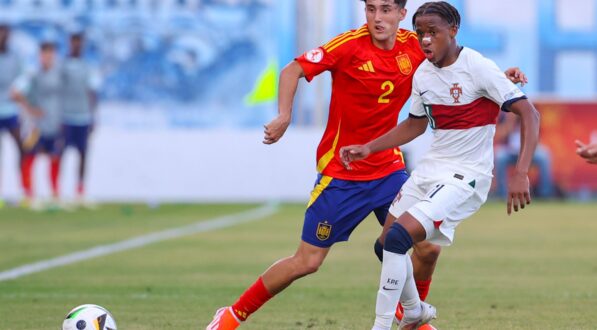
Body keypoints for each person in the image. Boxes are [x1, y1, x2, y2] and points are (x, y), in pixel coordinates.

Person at [207, 1, 526, 329]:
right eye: (371, 9)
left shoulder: (414, 46)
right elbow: (293, 70)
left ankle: (411, 318)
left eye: (386, 9)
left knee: (427, 249)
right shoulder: (348, 46)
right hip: (341, 174)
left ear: (401, 13)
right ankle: (232, 315)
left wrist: (501, 80)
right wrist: (285, 115)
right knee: (308, 261)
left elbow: (455, 69)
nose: (377, 18)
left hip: (388, 170)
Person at [339, 2, 540, 329]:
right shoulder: (423, 74)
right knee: (384, 245)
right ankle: (416, 311)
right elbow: (416, 124)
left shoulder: (478, 66)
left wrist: (520, 172)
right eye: (420, 34)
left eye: (433, 32)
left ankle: (381, 325)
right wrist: (369, 147)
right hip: (431, 171)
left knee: (398, 239)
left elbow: (530, 113)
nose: (425, 40)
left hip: (467, 177)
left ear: (453, 31)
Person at [11, 41, 64, 208]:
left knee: (55, 158)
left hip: (54, 125)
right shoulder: (32, 74)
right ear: (40, 56)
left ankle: (55, 195)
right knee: (30, 157)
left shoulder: (58, 75)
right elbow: (15, 93)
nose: (48, 58)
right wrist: (30, 109)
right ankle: (29, 195)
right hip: (36, 127)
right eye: (45, 54)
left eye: (51, 54)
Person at [61, 32, 101, 206]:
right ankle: (58, 192)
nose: (77, 46)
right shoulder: (62, 66)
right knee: (60, 154)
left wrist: (93, 117)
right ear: (70, 43)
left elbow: (93, 93)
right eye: (74, 42)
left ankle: (80, 191)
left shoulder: (87, 67)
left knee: (83, 154)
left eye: (80, 43)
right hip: (65, 117)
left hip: (83, 117)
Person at [494, 111, 554, 198]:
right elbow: (498, 136)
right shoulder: (505, 116)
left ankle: (545, 194)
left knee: (544, 156)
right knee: (499, 156)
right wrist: (510, 122)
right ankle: (502, 194)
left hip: (528, 152)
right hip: (510, 152)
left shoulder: (531, 113)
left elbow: (537, 138)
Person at [0, 24, 24, 207]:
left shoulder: (15, 57)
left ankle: (22, 189)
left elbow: (23, 80)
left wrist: (18, 91)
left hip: (11, 111)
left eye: (5, 33)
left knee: (21, 148)